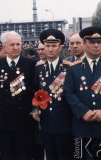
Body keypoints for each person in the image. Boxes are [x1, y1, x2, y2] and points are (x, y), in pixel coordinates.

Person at [64, 26, 101, 159]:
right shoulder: (74, 68)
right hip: (83, 127)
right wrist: (82, 111)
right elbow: (69, 93)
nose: (97, 45)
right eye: (92, 42)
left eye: (99, 42)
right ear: (84, 44)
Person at [0, 31, 36, 160]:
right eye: (12, 44)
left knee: (24, 155)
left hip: (24, 120)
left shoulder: (31, 64)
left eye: (18, 44)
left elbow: (34, 89)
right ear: (4, 47)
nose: (16, 47)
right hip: (3, 120)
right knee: (6, 155)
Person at [32, 29, 74, 160]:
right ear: (43, 47)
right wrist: (35, 109)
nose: (50, 49)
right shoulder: (38, 68)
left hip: (65, 121)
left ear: (60, 47)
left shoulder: (69, 67)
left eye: (54, 46)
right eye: (47, 46)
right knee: (50, 156)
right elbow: (34, 91)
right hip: (46, 121)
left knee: (66, 156)